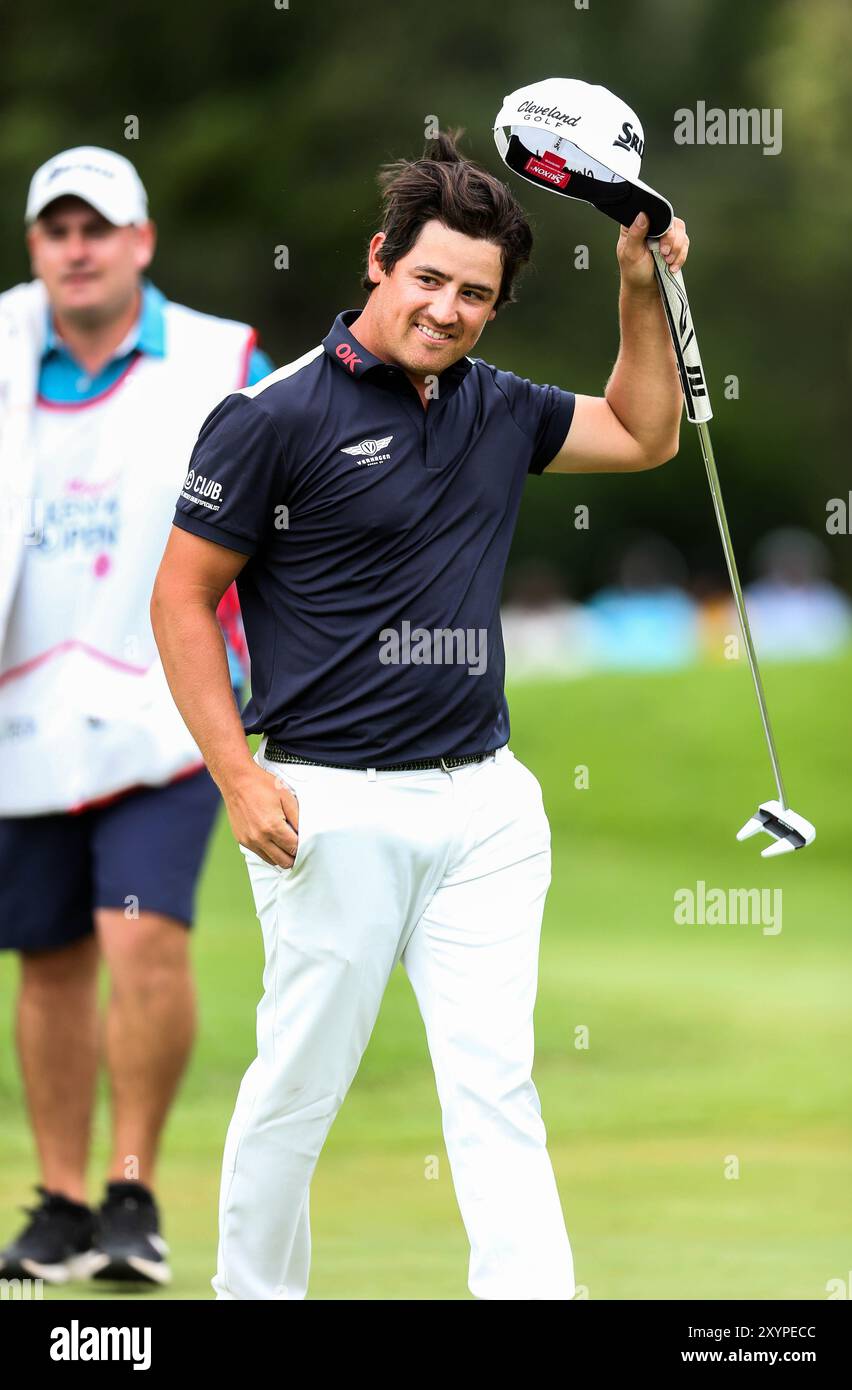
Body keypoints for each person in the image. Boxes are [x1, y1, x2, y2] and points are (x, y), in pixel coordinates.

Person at [151, 130, 688, 1300]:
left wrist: (640, 290)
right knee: (299, 1085)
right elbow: (181, 599)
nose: (446, 309)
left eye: (475, 295)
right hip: (326, 801)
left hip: (487, 805)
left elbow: (644, 432)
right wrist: (237, 775)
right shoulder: (270, 415)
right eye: (429, 279)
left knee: (493, 1085)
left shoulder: (497, 408)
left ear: (497, 309)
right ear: (377, 262)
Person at [0, 146, 273, 1287]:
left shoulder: (218, 356)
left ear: (141, 242)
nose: (76, 248)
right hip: (21, 717)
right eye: (56, 230)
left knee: (140, 935)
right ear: (36, 249)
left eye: (96, 228)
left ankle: (130, 1188)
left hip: (165, 702)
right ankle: (60, 1201)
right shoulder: (5, 345)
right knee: (48, 961)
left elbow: (281, 508)